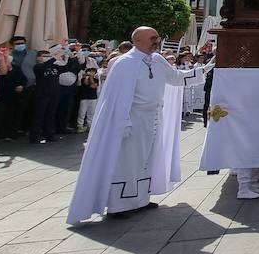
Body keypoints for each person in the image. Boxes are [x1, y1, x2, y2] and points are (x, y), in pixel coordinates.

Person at [67, 26, 203, 223]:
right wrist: (124, 122)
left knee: (146, 159)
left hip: (152, 117)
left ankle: (140, 199)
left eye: (157, 37)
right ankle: (118, 204)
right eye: (152, 38)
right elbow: (118, 98)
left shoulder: (157, 60)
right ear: (137, 40)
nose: (156, 41)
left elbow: (175, 78)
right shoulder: (125, 63)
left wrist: (205, 69)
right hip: (131, 119)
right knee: (126, 162)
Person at [29, 47, 61, 144]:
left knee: (50, 115)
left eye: (48, 56)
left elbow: (67, 68)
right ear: (38, 58)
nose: (47, 58)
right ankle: (35, 136)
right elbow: (44, 66)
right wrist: (54, 58)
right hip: (42, 94)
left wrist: (70, 56)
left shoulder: (54, 67)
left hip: (54, 94)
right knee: (39, 115)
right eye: (44, 56)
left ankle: (49, 134)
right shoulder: (37, 67)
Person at [75, 64, 100, 132]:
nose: (92, 72)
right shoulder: (83, 79)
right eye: (90, 71)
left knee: (91, 113)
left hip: (93, 98)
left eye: (93, 71)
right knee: (82, 113)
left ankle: (90, 126)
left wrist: (91, 77)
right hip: (84, 98)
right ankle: (80, 126)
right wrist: (87, 77)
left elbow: (93, 86)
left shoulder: (96, 79)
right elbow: (86, 83)